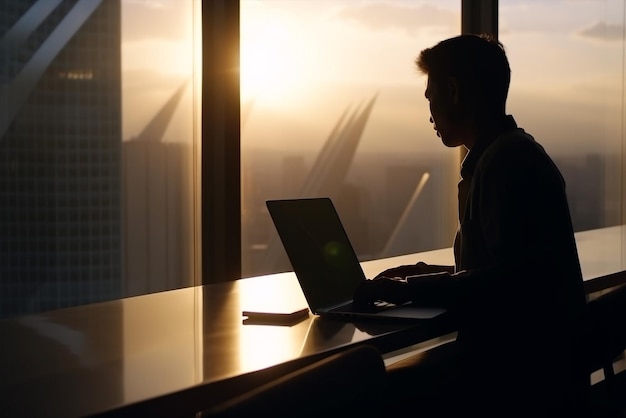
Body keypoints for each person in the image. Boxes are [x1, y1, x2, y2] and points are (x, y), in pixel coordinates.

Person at [354, 34, 589, 416]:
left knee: (364, 394)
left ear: (453, 91)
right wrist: (422, 275)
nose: (429, 114)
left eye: (430, 98)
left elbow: (507, 282)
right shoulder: (515, 152)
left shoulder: (505, 164)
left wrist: (409, 291)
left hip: (517, 381)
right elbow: (509, 267)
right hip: (542, 371)